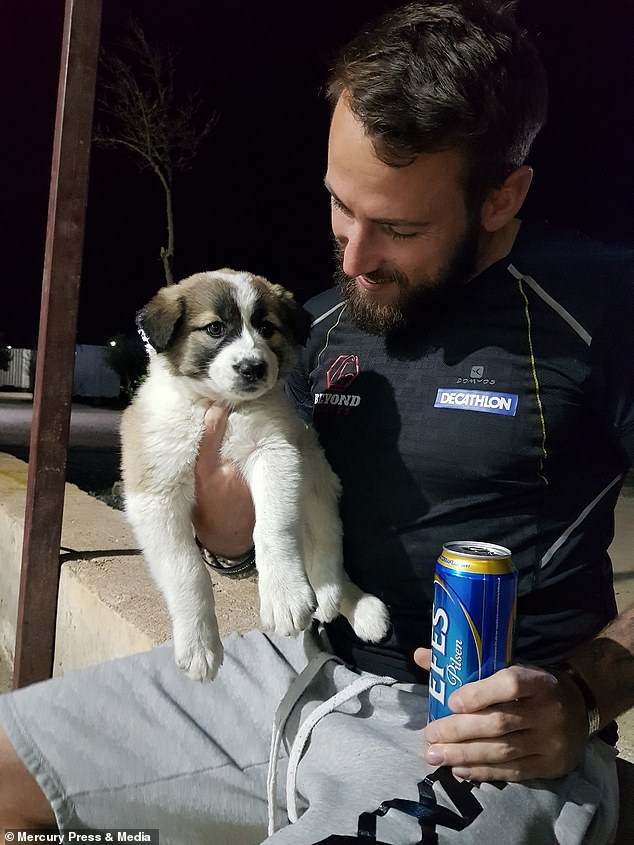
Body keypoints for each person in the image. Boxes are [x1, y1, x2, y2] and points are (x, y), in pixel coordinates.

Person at [1, 1, 633, 842]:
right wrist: (224, 532)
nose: (355, 256)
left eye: (399, 227)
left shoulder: (599, 309)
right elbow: (260, 529)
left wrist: (586, 693)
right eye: (340, 205)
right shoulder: (322, 324)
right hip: (290, 669)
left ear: (501, 196)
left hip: (483, 734)